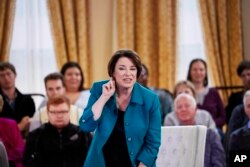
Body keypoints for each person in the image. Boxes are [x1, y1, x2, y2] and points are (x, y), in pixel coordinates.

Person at [79, 49, 161, 167]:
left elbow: (153, 143)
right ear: (112, 72)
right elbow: (86, 126)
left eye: (132, 69)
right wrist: (104, 97)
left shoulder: (150, 99)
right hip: (101, 162)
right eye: (122, 68)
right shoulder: (99, 89)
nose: (128, 73)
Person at [24, 95, 92, 167]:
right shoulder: (35, 136)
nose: (59, 116)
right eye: (54, 112)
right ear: (48, 113)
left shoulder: (83, 134)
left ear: (69, 112)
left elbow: (92, 161)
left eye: (63, 111)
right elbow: (28, 162)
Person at [165, 93, 226, 167]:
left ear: (195, 109)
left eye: (187, 106)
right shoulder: (171, 136)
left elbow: (219, 162)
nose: (183, 109)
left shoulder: (210, 134)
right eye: (179, 107)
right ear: (176, 113)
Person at [187, 58, 225, 136]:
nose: (198, 72)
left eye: (201, 69)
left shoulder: (213, 92)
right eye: (195, 69)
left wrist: (209, 125)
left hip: (212, 130)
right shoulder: (185, 93)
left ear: (205, 72)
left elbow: (223, 117)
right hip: (190, 131)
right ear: (190, 72)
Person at [0, 62, 35, 137]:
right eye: (1, 75)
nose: (6, 78)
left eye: (8, 74)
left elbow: (33, 128)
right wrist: (19, 127)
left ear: (15, 75)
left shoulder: (28, 100)